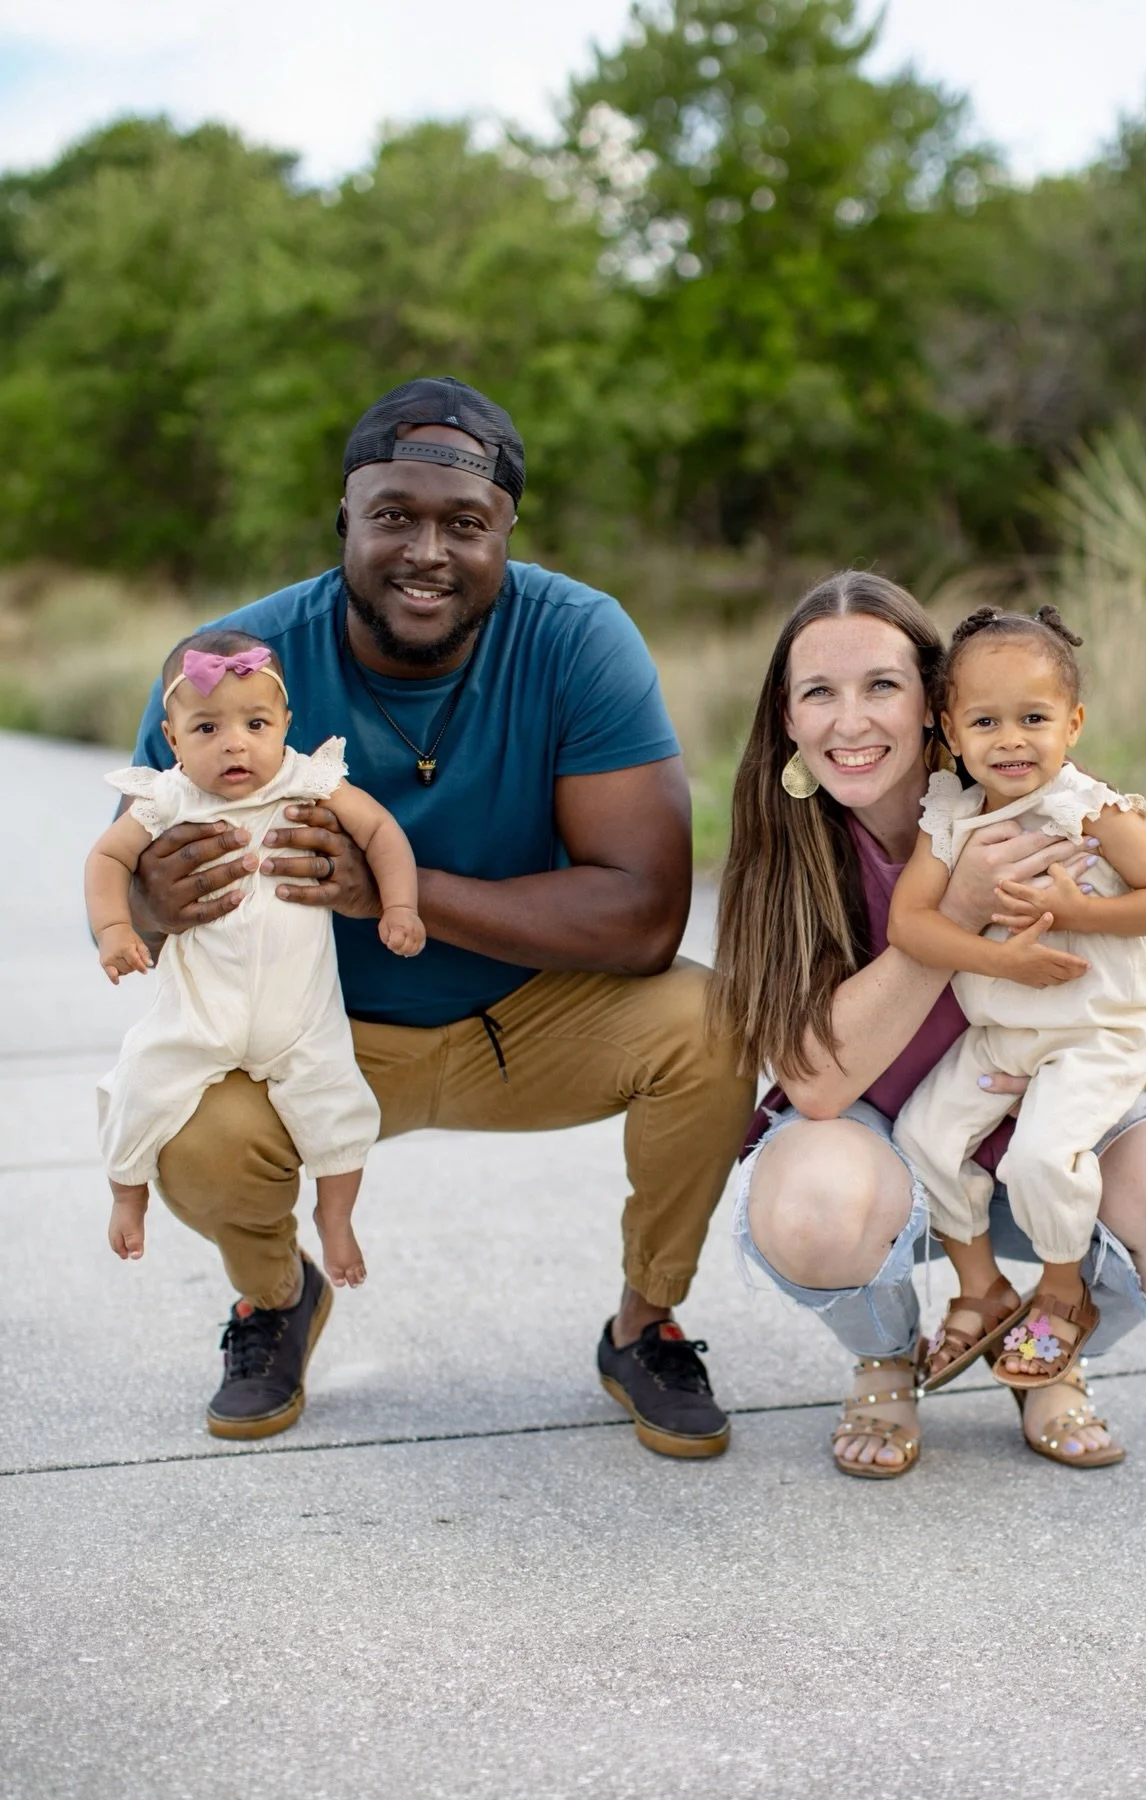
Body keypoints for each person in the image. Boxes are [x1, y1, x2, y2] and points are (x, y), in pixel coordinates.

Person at [123, 376, 754, 1452]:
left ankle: (644, 1324)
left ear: (505, 531)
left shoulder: (577, 638)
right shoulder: (234, 665)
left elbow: (647, 916)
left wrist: (393, 889)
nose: (428, 550)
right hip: (314, 1037)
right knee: (188, 1125)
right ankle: (275, 1301)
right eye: (394, 516)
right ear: (345, 521)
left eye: (465, 523)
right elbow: (139, 894)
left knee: (714, 1023)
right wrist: (153, 901)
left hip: (531, 1021)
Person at [710, 571, 1146, 1479]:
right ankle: (887, 1355)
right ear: (787, 719)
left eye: (882, 687)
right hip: (881, 1146)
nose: (850, 722)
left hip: (1042, 1099)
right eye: (819, 692)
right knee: (814, 1208)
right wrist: (962, 915)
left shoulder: (1033, 801)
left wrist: (1086, 1078)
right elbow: (815, 1083)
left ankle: (1047, 1345)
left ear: (935, 709)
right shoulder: (784, 847)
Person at [888, 603, 1146, 1399]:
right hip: (1005, 1027)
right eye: (985, 721)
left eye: (1034, 717)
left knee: (1038, 1158)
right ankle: (982, 1286)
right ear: (951, 733)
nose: (1011, 740)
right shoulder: (951, 815)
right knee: (923, 1137)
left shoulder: (1090, 812)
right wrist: (998, 960)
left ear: (1075, 722)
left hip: (1097, 1028)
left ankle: (1062, 1291)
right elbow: (910, 923)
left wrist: (1079, 913)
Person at [89, 630, 424, 1313]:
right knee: (140, 1085)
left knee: (339, 1109)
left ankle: (335, 1220)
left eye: (256, 724)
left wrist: (400, 906)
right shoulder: (169, 799)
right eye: (207, 727)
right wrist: (116, 929)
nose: (234, 744)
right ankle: (128, 1195)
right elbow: (106, 859)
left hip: (298, 1016)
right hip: (201, 1015)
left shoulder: (311, 782)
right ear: (173, 739)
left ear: (286, 727)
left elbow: (383, 832)